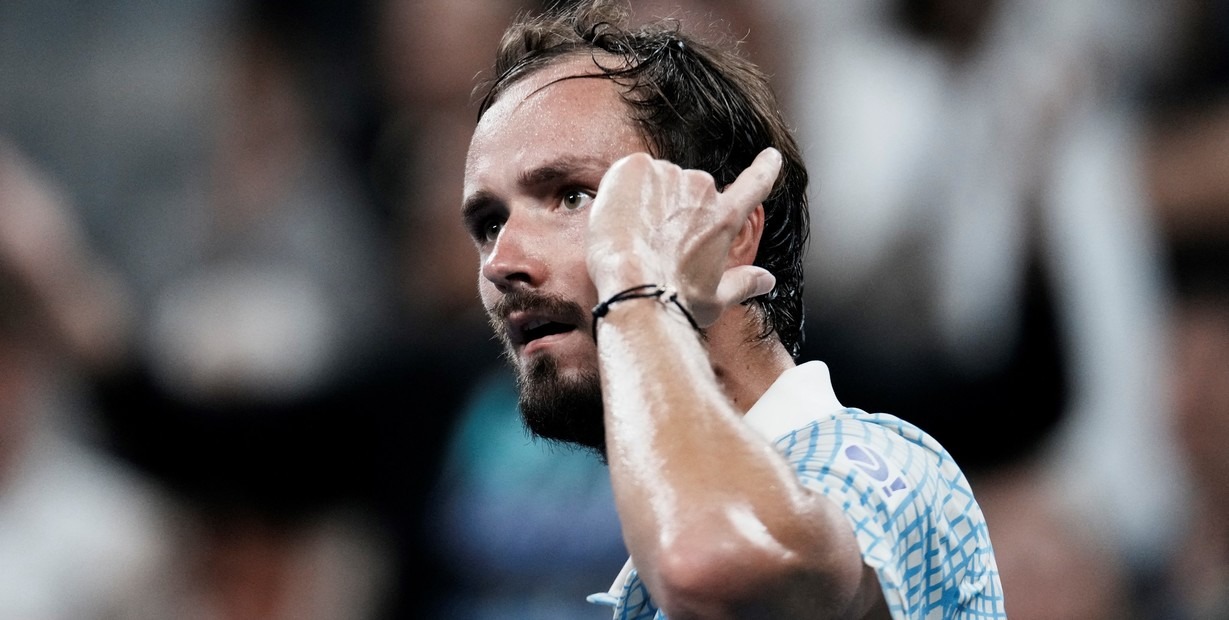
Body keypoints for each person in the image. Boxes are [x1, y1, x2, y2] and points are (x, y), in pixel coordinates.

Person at [459, 0, 1006, 618]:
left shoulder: (872, 465)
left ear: (730, 235)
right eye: (489, 223)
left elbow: (706, 560)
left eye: (573, 196)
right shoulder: (658, 551)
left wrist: (637, 290)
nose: (500, 262)